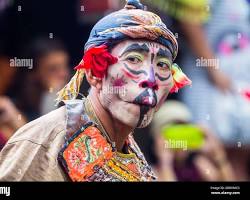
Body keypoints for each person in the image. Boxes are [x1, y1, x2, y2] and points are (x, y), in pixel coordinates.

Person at [0, 0, 191, 181]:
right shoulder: (45, 142)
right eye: (133, 59)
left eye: (162, 64)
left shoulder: (129, 150)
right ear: (94, 73)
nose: (150, 79)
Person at [151, 100, 235, 181]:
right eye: (174, 134)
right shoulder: (152, 172)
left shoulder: (199, 165)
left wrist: (218, 155)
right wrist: (165, 162)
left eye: (185, 131)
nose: (181, 140)